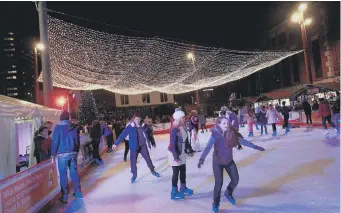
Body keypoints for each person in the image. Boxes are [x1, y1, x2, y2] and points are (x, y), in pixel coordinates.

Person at [197, 117, 264, 213]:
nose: (226, 125)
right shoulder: (215, 136)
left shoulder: (231, 134)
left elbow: (243, 141)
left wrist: (255, 147)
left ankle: (228, 192)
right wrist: (201, 159)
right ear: (218, 124)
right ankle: (216, 202)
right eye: (224, 123)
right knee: (218, 183)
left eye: (227, 123)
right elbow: (207, 148)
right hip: (218, 163)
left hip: (229, 161)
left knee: (235, 179)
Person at [112, 112, 160, 183]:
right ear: (133, 119)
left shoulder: (143, 126)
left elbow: (149, 134)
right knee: (133, 162)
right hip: (134, 147)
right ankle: (134, 175)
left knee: (148, 160)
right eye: (136, 119)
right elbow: (122, 135)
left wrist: (152, 142)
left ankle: (153, 171)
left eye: (139, 119)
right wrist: (115, 144)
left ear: (140, 119)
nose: (137, 121)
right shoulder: (130, 127)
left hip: (143, 146)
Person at [51, 111, 82, 204]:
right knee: (74, 172)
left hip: (62, 154)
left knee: (63, 174)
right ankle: (78, 192)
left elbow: (55, 141)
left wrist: (53, 154)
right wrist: (76, 151)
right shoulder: (73, 127)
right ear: (68, 118)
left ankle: (64, 196)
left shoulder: (58, 127)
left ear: (61, 118)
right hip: (72, 153)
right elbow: (77, 140)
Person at [168, 110, 193, 199]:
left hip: (182, 151)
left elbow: (185, 140)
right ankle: (174, 192)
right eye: (182, 117)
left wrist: (189, 149)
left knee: (183, 169)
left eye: (184, 117)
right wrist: (175, 156)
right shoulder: (174, 129)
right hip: (175, 152)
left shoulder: (183, 127)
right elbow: (172, 144)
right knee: (176, 172)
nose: (184, 118)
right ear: (178, 118)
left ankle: (183, 187)